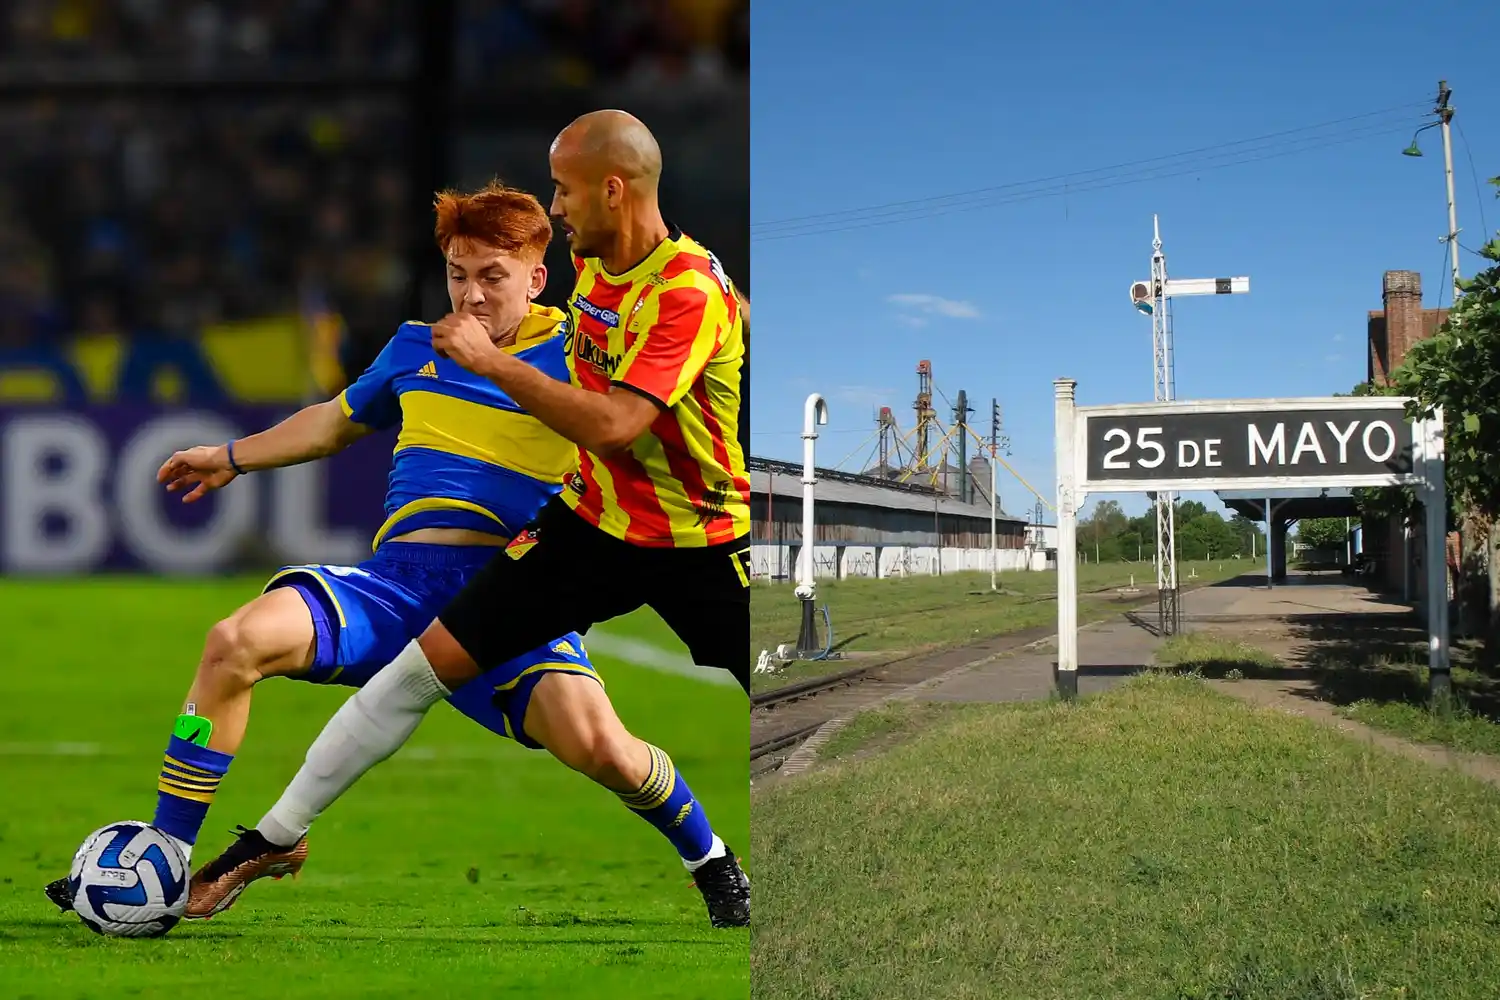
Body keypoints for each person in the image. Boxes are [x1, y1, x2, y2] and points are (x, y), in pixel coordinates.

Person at [45, 180, 742, 928]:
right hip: (392, 585)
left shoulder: (580, 352)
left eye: (492, 278)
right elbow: (335, 421)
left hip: (506, 594)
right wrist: (231, 455)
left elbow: (630, 419)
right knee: (233, 643)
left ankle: (712, 860)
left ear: (537, 278)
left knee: (603, 749)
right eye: (457, 274)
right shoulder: (417, 345)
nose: (470, 297)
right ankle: (168, 858)